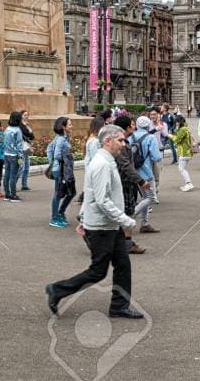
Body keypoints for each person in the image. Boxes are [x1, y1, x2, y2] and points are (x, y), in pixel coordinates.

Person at [44, 124, 144, 320]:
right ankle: (57, 290)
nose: (124, 144)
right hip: (102, 227)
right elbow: (101, 199)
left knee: (123, 265)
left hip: (107, 225)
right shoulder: (102, 164)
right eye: (120, 140)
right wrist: (126, 220)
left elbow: (89, 194)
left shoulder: (107, 160)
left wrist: (83, 217)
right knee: (98, 271)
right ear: (108, 141)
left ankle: (119, 307)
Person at [111, 117, 150, 254]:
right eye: (132, 125)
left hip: (125, 182)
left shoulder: (124, 143)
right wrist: (140, 180)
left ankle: (123, 241)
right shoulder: (121, 145)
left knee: (124, 211)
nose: (134, 127)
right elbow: (125, 165)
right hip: (123, 183)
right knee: (126, 212)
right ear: (126, 128)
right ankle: (127, 243)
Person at [129, 117, 163, 233]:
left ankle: (145, 223)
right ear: (148, 125)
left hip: (132, 172)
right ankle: (129, 217)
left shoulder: (130, 137)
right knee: (150, 198)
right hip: (146, 172)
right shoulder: (150, 137)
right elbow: (156, 157)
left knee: (144, 197)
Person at [48, 117, 76, 228]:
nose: (72, 126)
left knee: (70, 192)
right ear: (63, 127)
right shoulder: (61, 139)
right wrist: (68, 157)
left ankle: (59, 213)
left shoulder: (63, 137)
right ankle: (54, 218)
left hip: (62, 169)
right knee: (59, 194)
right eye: (70, 124)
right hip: (60, 170)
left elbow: (49, 148)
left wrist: (52, 162)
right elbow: (57, 155)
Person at [2, 111, 26, 201]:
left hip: (6, 154)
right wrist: (21, 156)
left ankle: (7, 194)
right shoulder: (18, 130)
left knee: (7, 175)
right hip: (14, 155)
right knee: (13, 175)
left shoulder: (7, 129)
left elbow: (3, 141)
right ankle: (13, 195)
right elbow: (19, 145)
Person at [171, 120, 195, 191]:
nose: (176, 123)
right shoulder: (186, 128)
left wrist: (170, 135)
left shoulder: (182, 129)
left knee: (182, 169)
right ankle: (188, 183)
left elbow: (177, 140)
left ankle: (189, 184)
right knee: (183, 168)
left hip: (184, 152)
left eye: (177, 122)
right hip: (187, 151)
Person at [19, 110, 35, 191]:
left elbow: (32, 136)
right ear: (21, 116)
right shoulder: (19, 125)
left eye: (27, 115)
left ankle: (24, 185)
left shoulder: (26, 125)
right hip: (21, 148)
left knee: (26, 167)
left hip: (26, 148)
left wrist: (28, 128)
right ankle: (12, 184)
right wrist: (27, 128)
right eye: (25, 115)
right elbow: (27, 133)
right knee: (21, 167)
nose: (26, 116)